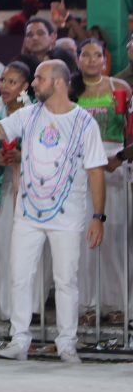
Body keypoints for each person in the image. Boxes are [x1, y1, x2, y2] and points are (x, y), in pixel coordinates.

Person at [0, 61, 107, 363]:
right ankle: (19, 340)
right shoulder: (28, 114)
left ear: (59, 83)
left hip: (68, 216)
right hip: (28, 213)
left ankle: (67, 344)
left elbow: (96, 172)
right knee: (20, 276)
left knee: (66, 281)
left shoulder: (84, 122)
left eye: (39, 78)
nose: (33, 83)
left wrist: (98, 217)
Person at [72, 39, 131, 325]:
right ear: (78, 58)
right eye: (86, 54)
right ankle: (87, 305)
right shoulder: (70, 91)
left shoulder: (120, 88)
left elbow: (130, 132)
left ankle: (117, 303)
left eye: (98, 55)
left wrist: (119, 157)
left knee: (115, 238)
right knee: (85, 239)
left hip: (114, 164)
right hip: (81, 167)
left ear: (105, 59)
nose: (93, 60)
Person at [0, 61, 34, 321]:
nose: (5, 86)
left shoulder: (35, 112)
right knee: (3, 246)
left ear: (25, 86)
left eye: (12, 82)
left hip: (31, 190)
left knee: (30, 249)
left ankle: (31, 307)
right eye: (3, 80)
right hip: (1, 186)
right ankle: (7, 307)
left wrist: (22, 155)